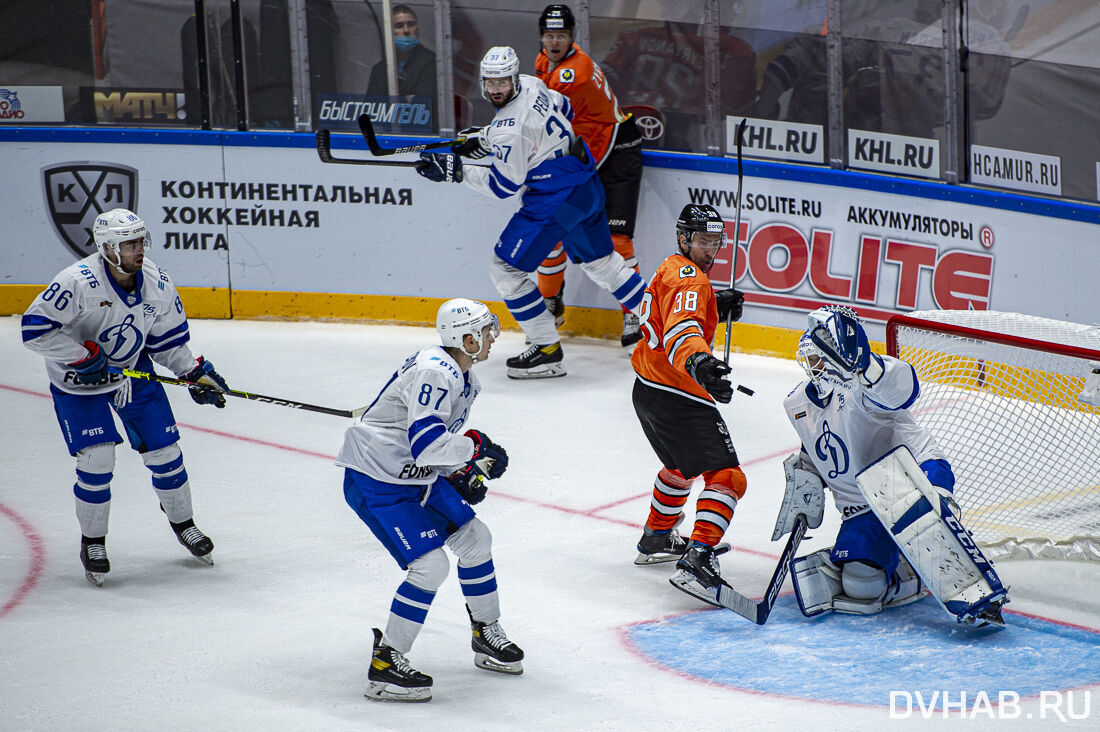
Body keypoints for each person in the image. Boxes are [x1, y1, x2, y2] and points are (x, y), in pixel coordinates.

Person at [20, 208, 228, 586]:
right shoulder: (76, 282)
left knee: (166, 453)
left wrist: (192, 372)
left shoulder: (157, 283)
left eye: (140, 241)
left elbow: (167, 341)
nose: (139, 250)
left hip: (133, 374)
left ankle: (185, 525)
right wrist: (84, 357)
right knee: (98, 460)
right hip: (78, 383)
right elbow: (35, 330)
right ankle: (93, 542)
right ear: (108, 247)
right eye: (130, 243)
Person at [418, 46, 647, 379]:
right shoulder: (532, 84)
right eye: (491, 82)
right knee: (603, 263)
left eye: (502, 82)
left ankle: (546, 349)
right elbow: (563, 108)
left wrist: (457, 171)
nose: (497, 88)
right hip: (585, 182)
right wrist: (486, 137)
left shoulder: (508, 130)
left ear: (512, 77)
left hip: (554, 200)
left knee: (505, 269)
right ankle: (663, 327)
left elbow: (502, 186)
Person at [337, 298, 523, 702]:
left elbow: (430, 449)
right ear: (468, 338)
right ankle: (386, 662)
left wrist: (458, 470)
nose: (494, 336)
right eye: (487, 330)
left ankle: (485, 633)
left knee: (475, 539)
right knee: (429, 565)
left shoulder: (465, 377)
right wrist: (473, 449)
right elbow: (427, 446)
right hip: (377, 481)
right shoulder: (435, 374)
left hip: (413, 477)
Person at [778, 305, 1007, 626]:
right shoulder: (796, 403)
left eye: (819, 358)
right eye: (810, 359)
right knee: (860, 588)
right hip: (863, 506)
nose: (812, 366)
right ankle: (905, 565)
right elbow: (815, 447)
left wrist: (865, 365)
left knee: (924, 530)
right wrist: (805, 480)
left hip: (914, 475)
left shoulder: (864, 387)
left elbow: (903, 387)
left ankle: (929, 555)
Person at [628, 203, 747, 605]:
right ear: (684, 239)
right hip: (678, 394)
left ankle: (657, 536)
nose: (710, 250)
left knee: (679, 468)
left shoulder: (672, 267)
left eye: (715, 242)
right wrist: (701, 363)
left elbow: (674, 311)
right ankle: (699, 557)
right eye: (702, 241)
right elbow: (683, 331)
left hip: (647, 389)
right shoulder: (691, 280)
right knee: (728, 477)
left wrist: (715, 302)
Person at [533, 4, 645, 347]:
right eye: (550, 35)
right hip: (585, 152)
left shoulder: (573, 74)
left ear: (572, 38)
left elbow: (544, 125)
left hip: (615, 152)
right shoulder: (543, 62)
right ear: (541, 37)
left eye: (561, 36)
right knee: (550, 233)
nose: (555, 42)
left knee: (617, 242)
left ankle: (635, 314)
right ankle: (550, 304)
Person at [366, 4, 438, 125]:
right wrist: (406, 99)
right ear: (389, 32)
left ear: (418, 30)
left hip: (423, 132)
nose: (406, 30)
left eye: (410, 25)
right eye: (399, 26)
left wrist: (391, 102)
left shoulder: (431, 61)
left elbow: (423, 104)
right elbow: (372, 108)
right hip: (387, 134)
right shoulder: (379, 69)